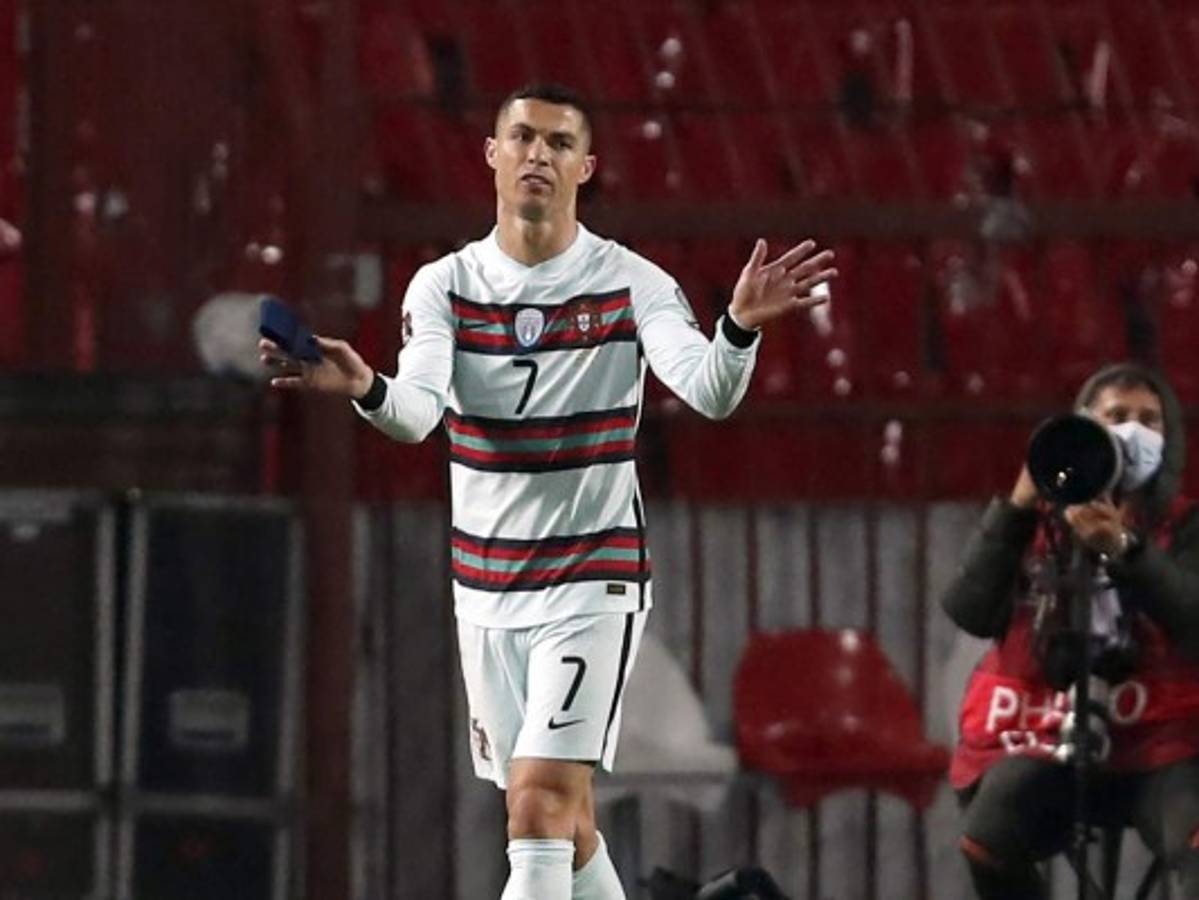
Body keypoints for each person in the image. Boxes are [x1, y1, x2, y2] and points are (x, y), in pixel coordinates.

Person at [260, 83, 836, 900]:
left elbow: (708, 392)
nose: (538, 153)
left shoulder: (629, 280)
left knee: (537, 805)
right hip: (486, 588)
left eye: (559, 143)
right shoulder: (443, 286)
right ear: (492, 154)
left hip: (591, 579)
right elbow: (416, 414)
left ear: (584, 167)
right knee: (566, 824)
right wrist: (366, 387)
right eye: (523, 137)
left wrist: (736, 328)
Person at [942, 362, 1199, 899]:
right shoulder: (1036, 520)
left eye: (1149, 420)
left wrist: (1126, 550)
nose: (1133, 432)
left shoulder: (1187, 523)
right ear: (1083, 428)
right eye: (1116, 416)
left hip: (1163, 747)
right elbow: (971, 610)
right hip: (1047, 739)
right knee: (987, 838)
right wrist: (1016, 508)